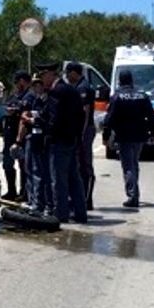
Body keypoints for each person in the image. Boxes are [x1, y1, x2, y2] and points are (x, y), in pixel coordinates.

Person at [102, 70, 154, 207]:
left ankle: (133, 196)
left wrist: (106, 136)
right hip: (139, 136)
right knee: (134, 164)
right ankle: (135, 192)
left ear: (120, 81)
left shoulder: (117, 97)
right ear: (131, 80)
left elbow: (109, 119)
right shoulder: (142, 95)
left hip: (124, 136)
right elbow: (151, 115)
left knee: (128, 166)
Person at [40, 62, 87, 223]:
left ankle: (60, 214)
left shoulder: (56, 91)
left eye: (42, 76)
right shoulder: (71, 90)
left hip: (59, 141)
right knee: (74, 178)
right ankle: (81, 213)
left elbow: (54, 119)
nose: (42, 80)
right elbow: (81, 115)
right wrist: (76, 135)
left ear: (50, 74)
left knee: (58, 180)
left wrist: (49, 134)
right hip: (71, 140)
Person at [14, 75, 52, 215]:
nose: (37, 87)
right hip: (32, 138)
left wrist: (32, 119)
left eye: (39, 84)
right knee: (29, 170)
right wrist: (19, 140)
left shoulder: (47, 100)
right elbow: (24, 119)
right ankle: (32, 201)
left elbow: (43, 119)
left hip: (42, 140)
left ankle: (40, 204)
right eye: (35, 85)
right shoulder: (35, 100)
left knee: (39, 173)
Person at [66, 62, 97, 210]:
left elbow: (84, 112)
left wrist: (81, 134)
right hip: (81, 131)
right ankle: (81, 198)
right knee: (79, 166)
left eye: (67, 73)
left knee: (84, 166)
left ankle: (86, 199)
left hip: (85, 130)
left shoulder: (82, 87)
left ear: (74, 73)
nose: (66, 76)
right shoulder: (78, 86)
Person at [1, 71, 31, 201]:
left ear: (23, 81)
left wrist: (16, 111)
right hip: (9, 133)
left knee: (23, 164)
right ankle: (11, 191)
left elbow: (26, 112)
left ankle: (24, 192)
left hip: (22, 134)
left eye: (18, 81)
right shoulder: (13, 96)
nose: (17, 84)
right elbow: (5, 107)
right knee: (7, 163)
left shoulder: (29, 95)